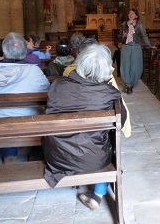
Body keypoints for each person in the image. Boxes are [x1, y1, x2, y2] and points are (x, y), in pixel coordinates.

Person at [42, 43, 129, 211]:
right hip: (94, 161)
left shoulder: (58, 85)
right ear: (106, 68)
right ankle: (99, 192)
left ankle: (97, 191)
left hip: (57, 157)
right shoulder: (109, 93)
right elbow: (121, 123)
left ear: (79, 63)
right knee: (110, 138)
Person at [0, 32, 50, 162]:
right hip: (29, 120)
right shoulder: (33, 71)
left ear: (4, 50)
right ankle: (36, 155)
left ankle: (9, 155)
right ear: (24, 50)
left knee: (5, 118)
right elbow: (46, 91)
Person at [118, 8, 152, 94]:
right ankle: (128, 84)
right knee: (125, 66)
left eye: (133, 13)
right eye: (129, 13)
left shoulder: (140, 25)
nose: (130, 14)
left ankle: (131, 83)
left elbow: (144, 36)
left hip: (136, 47)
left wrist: (150, 46)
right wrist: (123, 36)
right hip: (126, 47)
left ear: (136, 16)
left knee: (135, 67)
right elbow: (119, 37)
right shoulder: (124, 25)